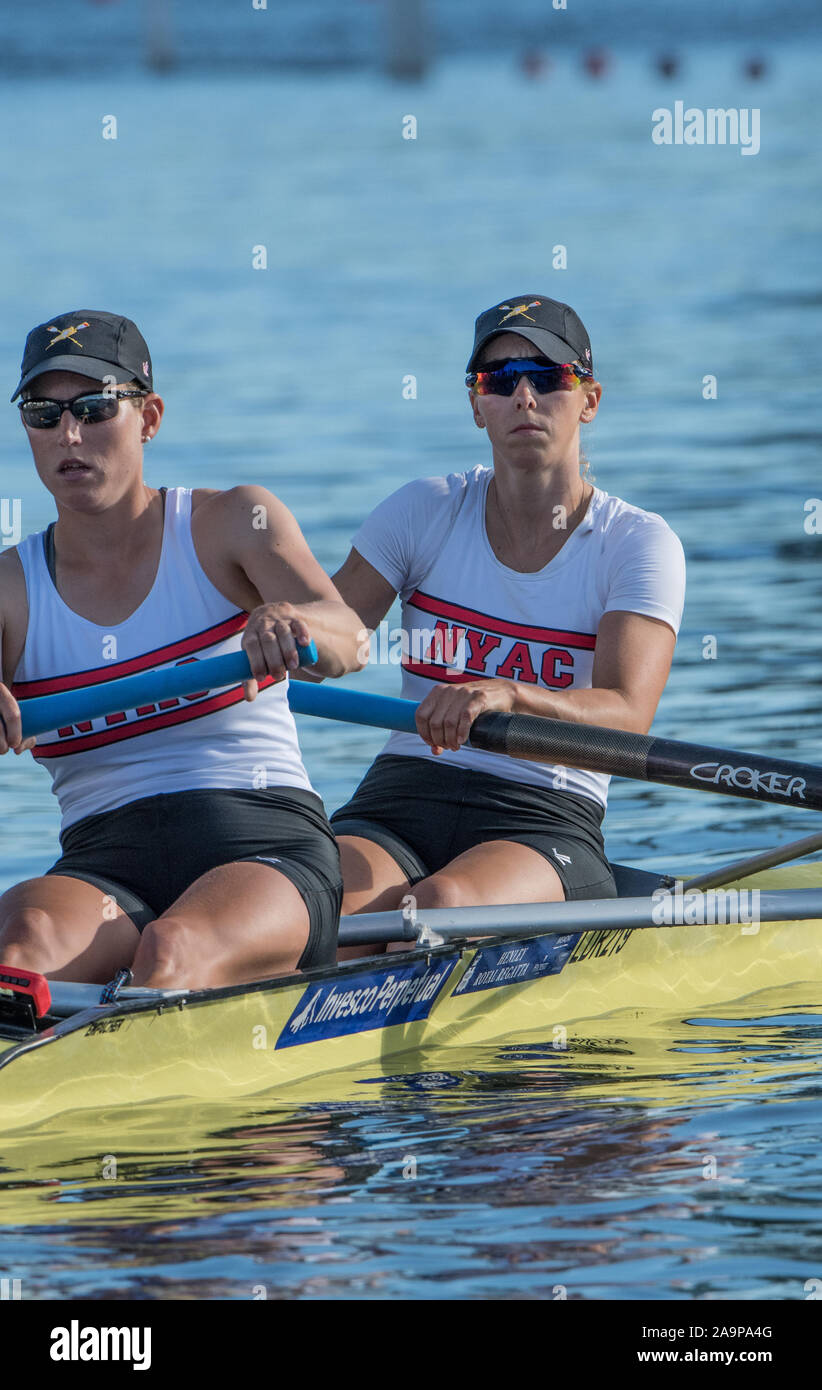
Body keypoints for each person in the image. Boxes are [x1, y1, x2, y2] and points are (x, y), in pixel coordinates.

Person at [0, 310, 365, 989]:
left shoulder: (233, 523)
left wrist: (294, 623)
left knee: (172, 952)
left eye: (94, 406)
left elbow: (351, 640)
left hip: (265, 846)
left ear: (150, 416)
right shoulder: (9, 590)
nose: (69, 434)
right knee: (18, 951)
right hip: (105, 867)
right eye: (43, 414)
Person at [329, 295, 686, 948]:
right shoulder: (421, 510)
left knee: (431, 911)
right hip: (404, 792)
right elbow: (334, 639)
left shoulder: (636, 543)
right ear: (476, 405)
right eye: (500, 380)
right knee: (323, 916)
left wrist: (511, 695)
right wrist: (277, 630)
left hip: (543, 810)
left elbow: (628, 716)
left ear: (590, 399)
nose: (525, 396)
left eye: (548, 378)